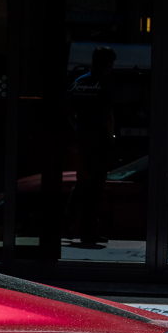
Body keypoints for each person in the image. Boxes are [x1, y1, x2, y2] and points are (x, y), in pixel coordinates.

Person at [66, 46, 116, 246]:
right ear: (105, 64)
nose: (112, 67)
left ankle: (69, 222)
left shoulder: (79, 82)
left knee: (82, 183)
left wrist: (77, 130)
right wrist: (111, 136)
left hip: (83, 139)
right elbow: (107, 114)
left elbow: (68, 110)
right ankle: (88, 232)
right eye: (111, 63)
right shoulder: (104, 84)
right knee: (95, 188)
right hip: (98, 140)